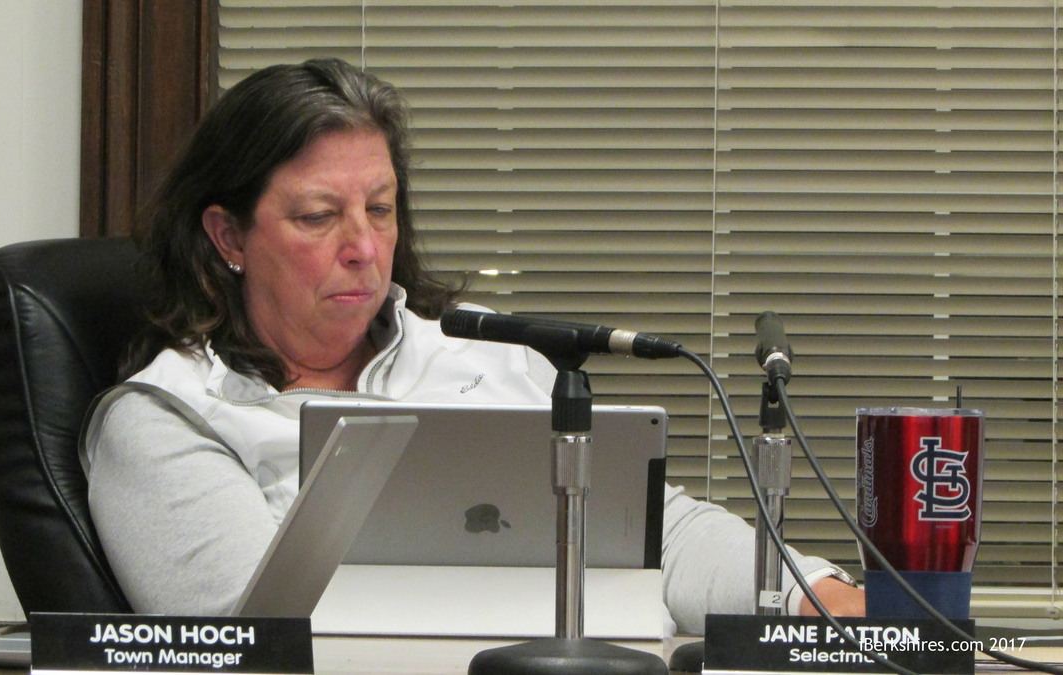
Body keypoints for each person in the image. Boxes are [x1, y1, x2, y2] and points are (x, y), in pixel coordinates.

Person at [81, 58, 863, 633]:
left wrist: (817, 598)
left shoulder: (483, 351)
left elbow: (660, 534)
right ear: (228, 236)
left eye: (380, 209)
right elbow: (254, 641)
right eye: (318, 217)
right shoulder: (166, 418)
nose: (363, 248)